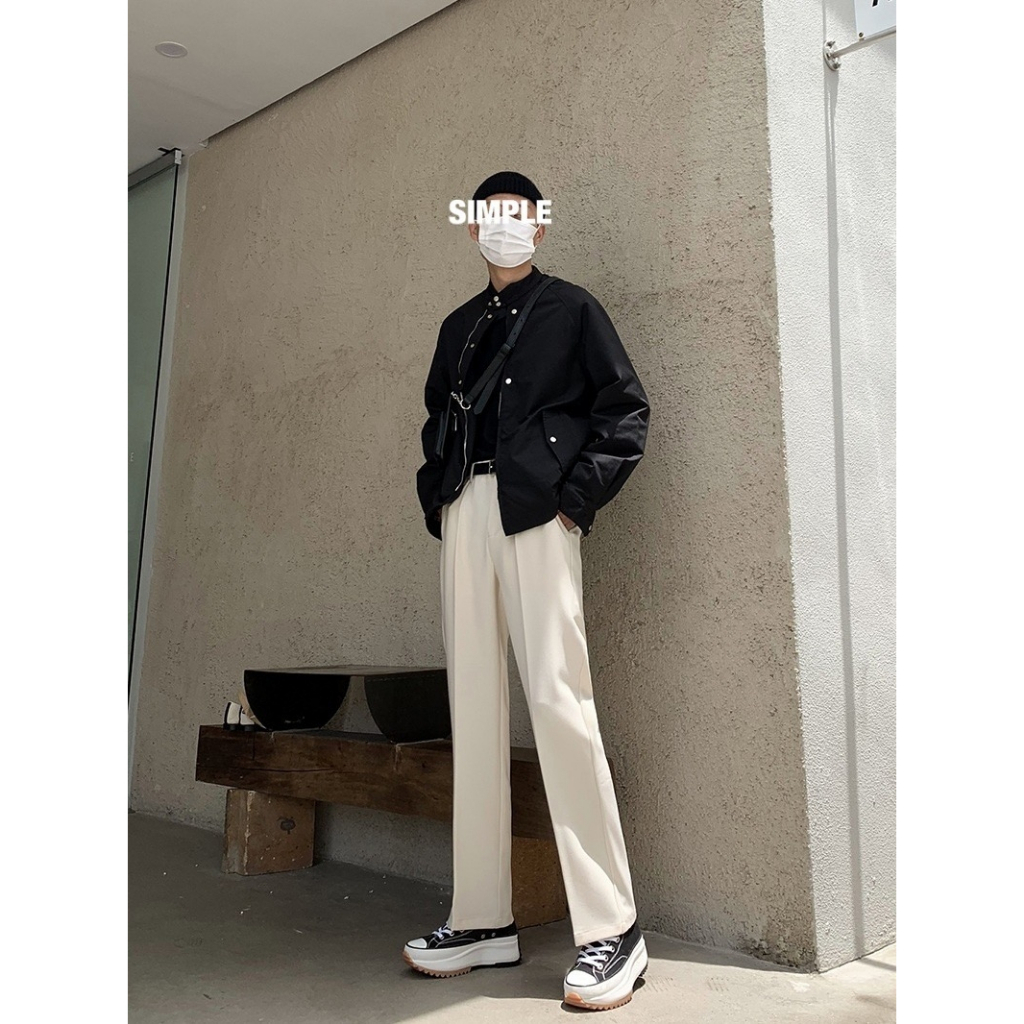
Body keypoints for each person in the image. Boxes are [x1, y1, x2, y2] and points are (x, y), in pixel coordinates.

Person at [408, 171, 651, 1011]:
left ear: (539, 229)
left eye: (517, 217)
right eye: (490, 217)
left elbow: (626, 411)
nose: (503, 228)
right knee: (473, 707)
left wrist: (574, 502)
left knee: (557, 698)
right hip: (466, 511)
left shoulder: (572, 310)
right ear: (472, 229)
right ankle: (482, 919)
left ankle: (614, 929)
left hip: (538, 516)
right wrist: (438, 496)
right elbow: (437, 418)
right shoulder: (457, 326)